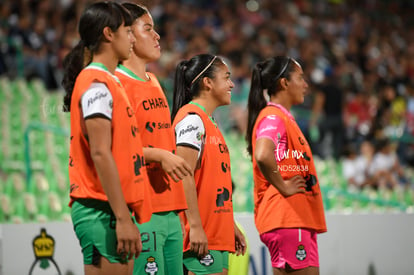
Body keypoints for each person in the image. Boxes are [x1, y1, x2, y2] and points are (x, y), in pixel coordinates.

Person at [61, 2, 152, 274]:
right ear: (109, 34)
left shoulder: (109, 81)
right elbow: (100, 153)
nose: (133, 38)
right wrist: (122, 217)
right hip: (101, 210)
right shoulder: (96, 85)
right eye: (128, 30)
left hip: (112, 209)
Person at [115, 3, 191, 275]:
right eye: (148, 28)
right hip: (142, 209)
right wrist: (159, 155)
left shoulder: (155, 80)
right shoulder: (116, 83)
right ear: (128, 36)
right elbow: (116, 147)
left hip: (172, 209)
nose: (158, 36)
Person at [245, 56, 327, 275]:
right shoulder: (273, 116)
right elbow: (263, 154)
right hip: (288, 218)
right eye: (300, 78)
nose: (306, 84)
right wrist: (284, 186)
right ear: (284, 83)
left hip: (292, 219)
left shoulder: (282, 117)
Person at [171, 54, 246, 275]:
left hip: (215, 232)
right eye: (227, 78)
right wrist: (194, 227)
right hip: (201, 235)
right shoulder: (192, 120)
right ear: (208, 82)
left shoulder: (208, 122)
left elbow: (211, 183)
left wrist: (229, 226)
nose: (232, 84)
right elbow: (183, 176)